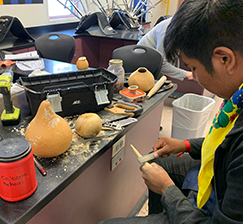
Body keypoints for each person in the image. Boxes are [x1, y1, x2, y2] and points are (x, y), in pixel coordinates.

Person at [99, 0, 243, 223]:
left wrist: (168, 190)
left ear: (225, 59)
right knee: (158, 163)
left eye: (193, 68)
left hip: (215, 206)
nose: (193, 76)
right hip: (217, 173)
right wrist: (184, 145)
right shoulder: (237, 101)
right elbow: (223, 143)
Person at [137, 17, 194, 81]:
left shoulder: (180, 24)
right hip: (143, 62)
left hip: (155, 62)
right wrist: (187, 74)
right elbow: (161, 64)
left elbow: (174, 52)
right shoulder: (166, 32)